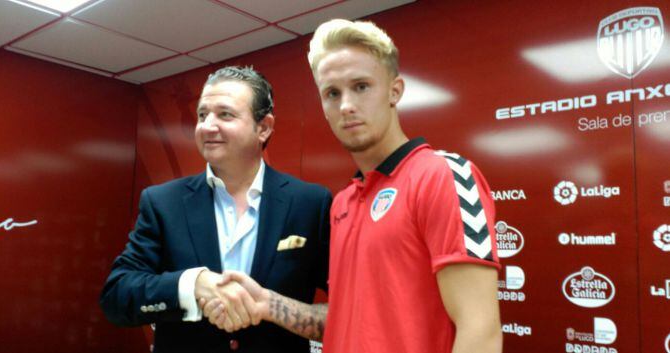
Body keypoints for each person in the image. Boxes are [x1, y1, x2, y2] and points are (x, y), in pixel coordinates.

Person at [204, 19, 502, 353]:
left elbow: (480, 332)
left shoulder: (442, 175)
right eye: (332, 93)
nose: (346, 104)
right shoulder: (343, 203)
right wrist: (266, 303)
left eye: (361, 86)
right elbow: (348, 322)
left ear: (395, 90)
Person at [99, 66, 332, 353]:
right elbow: (117, 296)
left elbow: (352, 305)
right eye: (202, 114)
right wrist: (193, 284)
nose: (207, 126)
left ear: (264, 127)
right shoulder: (163, 202)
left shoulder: (310, 203)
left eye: (225, 114)